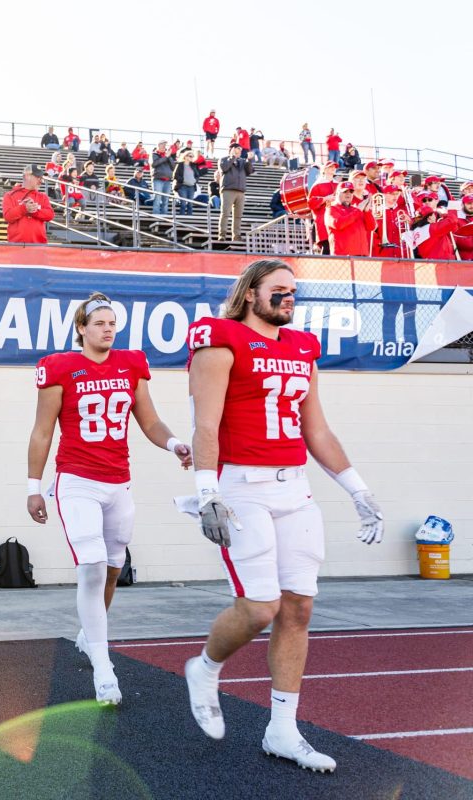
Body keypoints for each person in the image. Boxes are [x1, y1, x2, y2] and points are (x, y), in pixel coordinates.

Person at [183, 258, 384, 772]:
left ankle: (282, 730)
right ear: (251, 293)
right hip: (242, 487)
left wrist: (357, 489)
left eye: (294, 290)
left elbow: (316, 429)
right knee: (259, 608)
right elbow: (205, 422)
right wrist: (207, 490)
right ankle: (205, 668)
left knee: (298, 609)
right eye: (279, 290)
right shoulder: (219, 337)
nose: (290, 297)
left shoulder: (301, 348)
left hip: (294, 488)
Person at [27, 293, 192, 704]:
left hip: (119, 481)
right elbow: (43, 430)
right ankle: (104, 668)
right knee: (93, 566)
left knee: (114, 569)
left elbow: (148, 419)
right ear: (81, 327)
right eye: (99, 322)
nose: (108, 328)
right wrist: (33, 487)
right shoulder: (60, 367)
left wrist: (173, 444)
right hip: (77, 480)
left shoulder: (131, 363)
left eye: (112, 322)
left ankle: (90, 634)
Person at [2, 165, 55, 244]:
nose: (41, 181)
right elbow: (8, 217)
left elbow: (50, 215)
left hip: (39, 246)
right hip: (17, 246)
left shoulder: (43, 196)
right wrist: (24, 208)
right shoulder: (10, 195)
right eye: (38, 177)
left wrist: (34, 211)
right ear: (27, 176)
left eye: (41, 178)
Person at [324, 182, 374, 257]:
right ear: (337, 193)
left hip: (362, 256)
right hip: (342, 257)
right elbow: (338, 224)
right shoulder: (331, 209)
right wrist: (358, 210)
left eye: (351, 192)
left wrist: (367, 212)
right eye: (345, 192)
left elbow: (371, 227)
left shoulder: (356, 209)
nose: (348, 194)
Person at [218, 144, 253, 241]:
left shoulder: (242, 161)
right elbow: (224, 168)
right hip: (228, 189)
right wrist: (232, 157)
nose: (240, 151)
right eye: (238, 148)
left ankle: (236, 236)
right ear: (232, 149)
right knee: (225, 213)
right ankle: (222, 235)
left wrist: (249, 160)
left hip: (240, 191)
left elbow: (249, 171)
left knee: (238, 216)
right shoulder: (224, 159)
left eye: (241, 149)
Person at [151, 142, 174, 215]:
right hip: (158, 179)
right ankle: (156, 215)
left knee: (166, 200)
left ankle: (165, 216)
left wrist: (169, 157)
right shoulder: (154, 154)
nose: (164, 146)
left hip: (167, 180)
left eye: (165, 145)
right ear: (158, 145)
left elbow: (173, 166)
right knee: (157, 198)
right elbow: (154, 164)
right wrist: (166, 157)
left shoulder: (168, 156)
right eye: (162, 144)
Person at [174, 150, 200, 215]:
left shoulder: (193, 165)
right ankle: (181, 217)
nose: (191, 157)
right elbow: (175, 175)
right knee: (183, 203)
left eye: (192, 156)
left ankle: (190, 217)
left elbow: (197, 175)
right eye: (190, 156)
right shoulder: (180, 165)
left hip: (191, 187)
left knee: (190, 204)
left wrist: (195, 180)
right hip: (182, 186)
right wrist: (183, 180)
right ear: (185, 156)